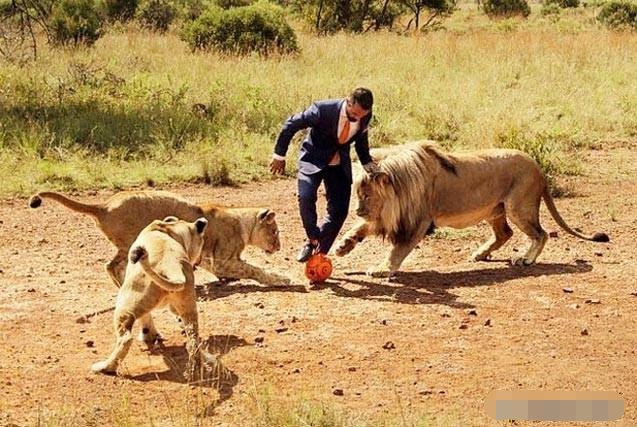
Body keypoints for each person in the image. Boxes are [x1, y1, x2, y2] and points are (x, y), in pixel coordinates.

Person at [270, 87, 379, 262]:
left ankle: (320, 250)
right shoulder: (322, 110)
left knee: (340, 210)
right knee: (306, 197)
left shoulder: (364, 116)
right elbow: (291, 124)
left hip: (339, 164)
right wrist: (279, 156)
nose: (359, 117)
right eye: (355, 113)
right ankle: (313, 239)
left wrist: (369, 165)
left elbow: (361, 143)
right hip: (312, 159)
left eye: (363, 114)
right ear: (348, 102)